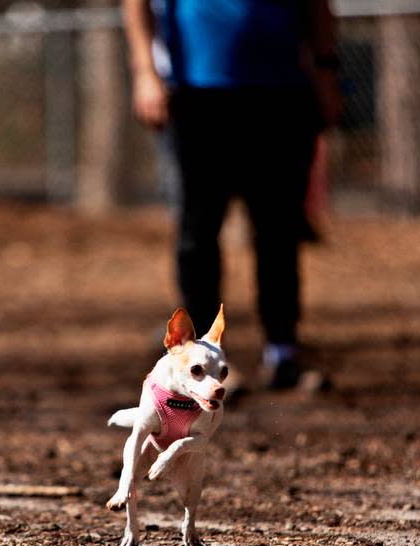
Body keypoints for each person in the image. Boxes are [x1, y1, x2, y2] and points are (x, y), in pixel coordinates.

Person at [123, 0, 341, 389]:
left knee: (279, 231)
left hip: (281, 93)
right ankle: (205, 358)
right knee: (199, 232)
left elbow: (317, 5)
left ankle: (283, 352)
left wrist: (326, 68)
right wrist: (144, 71)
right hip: (198, 94)